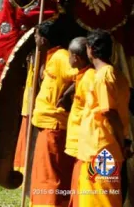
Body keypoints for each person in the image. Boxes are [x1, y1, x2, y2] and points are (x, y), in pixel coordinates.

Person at [71, 30, 131, 207]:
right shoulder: (117, 74)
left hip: (102, 147)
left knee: (101, 197)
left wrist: (121, 142)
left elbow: (109, 112)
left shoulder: (104, 76)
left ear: (90, 49)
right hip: (100, 146)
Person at [28, 21, 77, 207]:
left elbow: (80, 75)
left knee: (51, 177)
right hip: (47, 126)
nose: (35, 39)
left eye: (36, 35)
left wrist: (65, 95)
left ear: (45, 39)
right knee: (44, 175)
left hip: (54, 126)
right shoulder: (49, 56)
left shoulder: (62, 57)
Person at [62, 37, 94, 206]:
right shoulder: (82, 76)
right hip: (78, 143)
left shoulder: (90, 78)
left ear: (77, 58)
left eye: (69, 55)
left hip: (84, 144)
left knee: (81, 188)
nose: (68, 58)